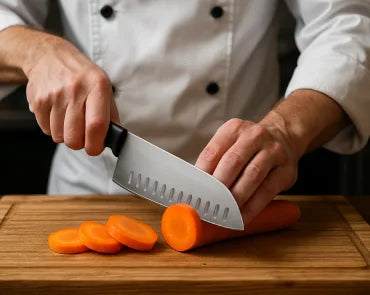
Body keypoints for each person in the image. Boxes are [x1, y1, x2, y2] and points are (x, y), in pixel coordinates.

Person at [0, 1, 369, 224]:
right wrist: (38, 52)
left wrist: (286, 130)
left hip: (244, 195)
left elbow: (346, 29)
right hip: (86, 191)